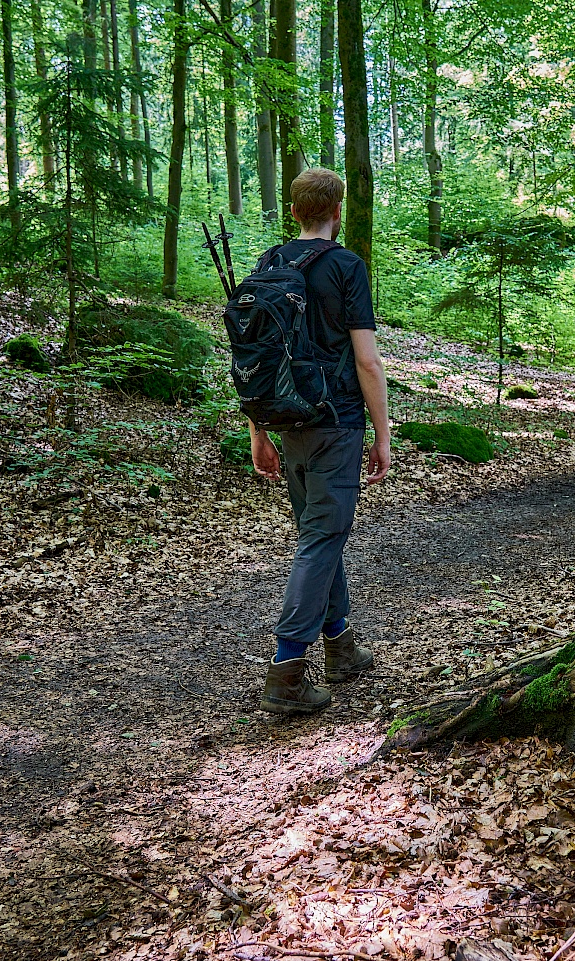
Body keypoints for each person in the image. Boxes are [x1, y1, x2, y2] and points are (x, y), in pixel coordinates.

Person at [250, 167, 391, 715]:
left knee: (320, 534)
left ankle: (341, 648)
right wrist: (383, 435)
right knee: (321, 540)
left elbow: (256, 361)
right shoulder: (347, 266)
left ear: (293, 213)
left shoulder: (270, 264)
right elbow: (367, 359)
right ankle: (286, 673)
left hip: (286, 423)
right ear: (338, 212)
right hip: (336, 422)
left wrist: (258, 432)